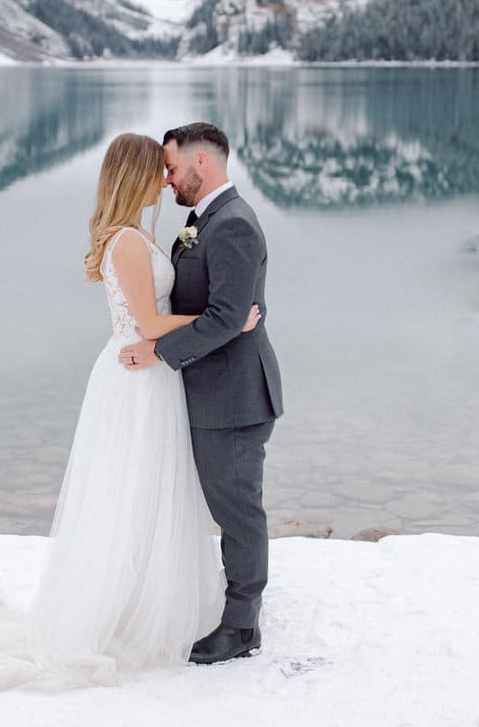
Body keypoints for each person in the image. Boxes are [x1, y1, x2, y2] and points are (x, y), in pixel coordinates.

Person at [0, 132, 261, 688]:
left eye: (169, 167)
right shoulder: (130, 243)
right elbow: (150, 324)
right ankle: (126, 609)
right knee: (129, 493)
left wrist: (208, 325)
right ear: (134, 175)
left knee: (149, 493)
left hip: (151, 371)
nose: (165, 178)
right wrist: (231, 319)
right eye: (156, 169)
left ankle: (164, 601)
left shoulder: (143, 233)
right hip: (138, 374)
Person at [118, 121, 283, 665]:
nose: (166, 180)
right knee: (222, 505)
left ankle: (241, 627)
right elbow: (224, 311)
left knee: (237, 511)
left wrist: (158, 352)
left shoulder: (233, 224)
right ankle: (227, 604)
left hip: (234, 398)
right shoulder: (201, 222)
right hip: (208, 392)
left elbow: (227, 317)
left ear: (201, 163)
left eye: (171, 168)